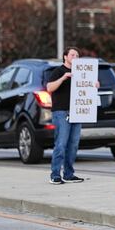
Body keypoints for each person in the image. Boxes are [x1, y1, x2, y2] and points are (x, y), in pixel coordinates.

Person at [46, 47, 92, 185]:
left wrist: (93, 85)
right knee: (61, 144)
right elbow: (49, 88)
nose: (75, 57)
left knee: (73, 145)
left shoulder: (81, 73)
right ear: (65, 57)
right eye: (72, 54)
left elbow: (86, 90)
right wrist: (63, 78)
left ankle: (68, 174)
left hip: (77, 112)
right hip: (61, 112)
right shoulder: (58, 71)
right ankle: (55, 174)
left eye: (77, 55)